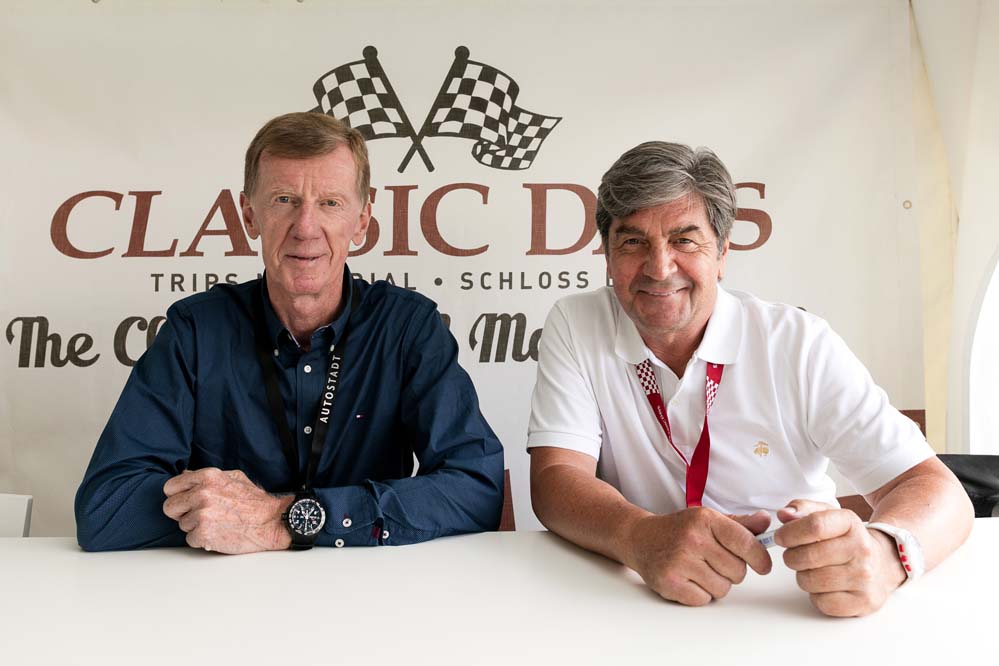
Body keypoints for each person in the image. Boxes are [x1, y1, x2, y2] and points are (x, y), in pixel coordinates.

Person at [527, 141, 973, 617]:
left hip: (791, 596)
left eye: (684, 241)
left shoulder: (798, 342)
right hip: (642, 592)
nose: (659, 268)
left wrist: (885, 556)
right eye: (633, 242)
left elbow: (938, 490)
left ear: (722, 253)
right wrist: (637, 536)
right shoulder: (576, 322)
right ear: (607, 255)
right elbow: (556, 478)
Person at [76, 112, 504, 553]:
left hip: (371, 587)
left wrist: (281, 518)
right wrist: (230, 514)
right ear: (249, 215)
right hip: (223, 588)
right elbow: (105, 509)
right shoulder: (195, 332)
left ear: (361, 220)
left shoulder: (407, 328)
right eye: (284, 200)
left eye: (330, 203)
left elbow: (477, 490)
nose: (305, 228)